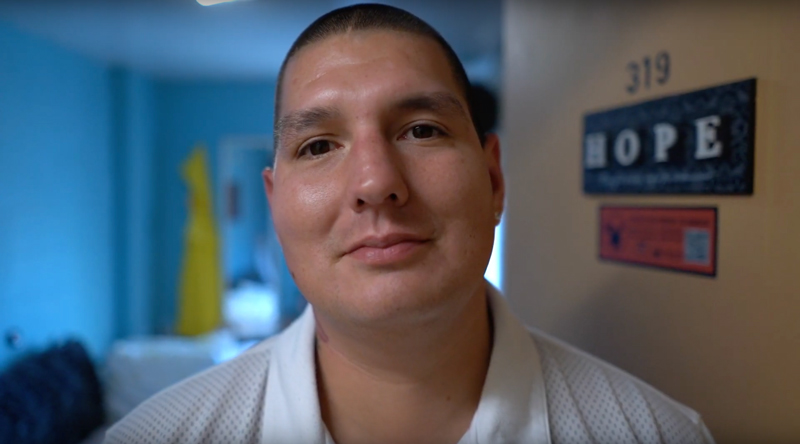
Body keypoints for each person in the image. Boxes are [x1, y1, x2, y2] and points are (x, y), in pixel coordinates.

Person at [104, 4, 714, 444]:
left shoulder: (657, 432)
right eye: (318, 146)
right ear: (274, 203)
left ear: (494, 180)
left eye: (422, 130)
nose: (375, 183)